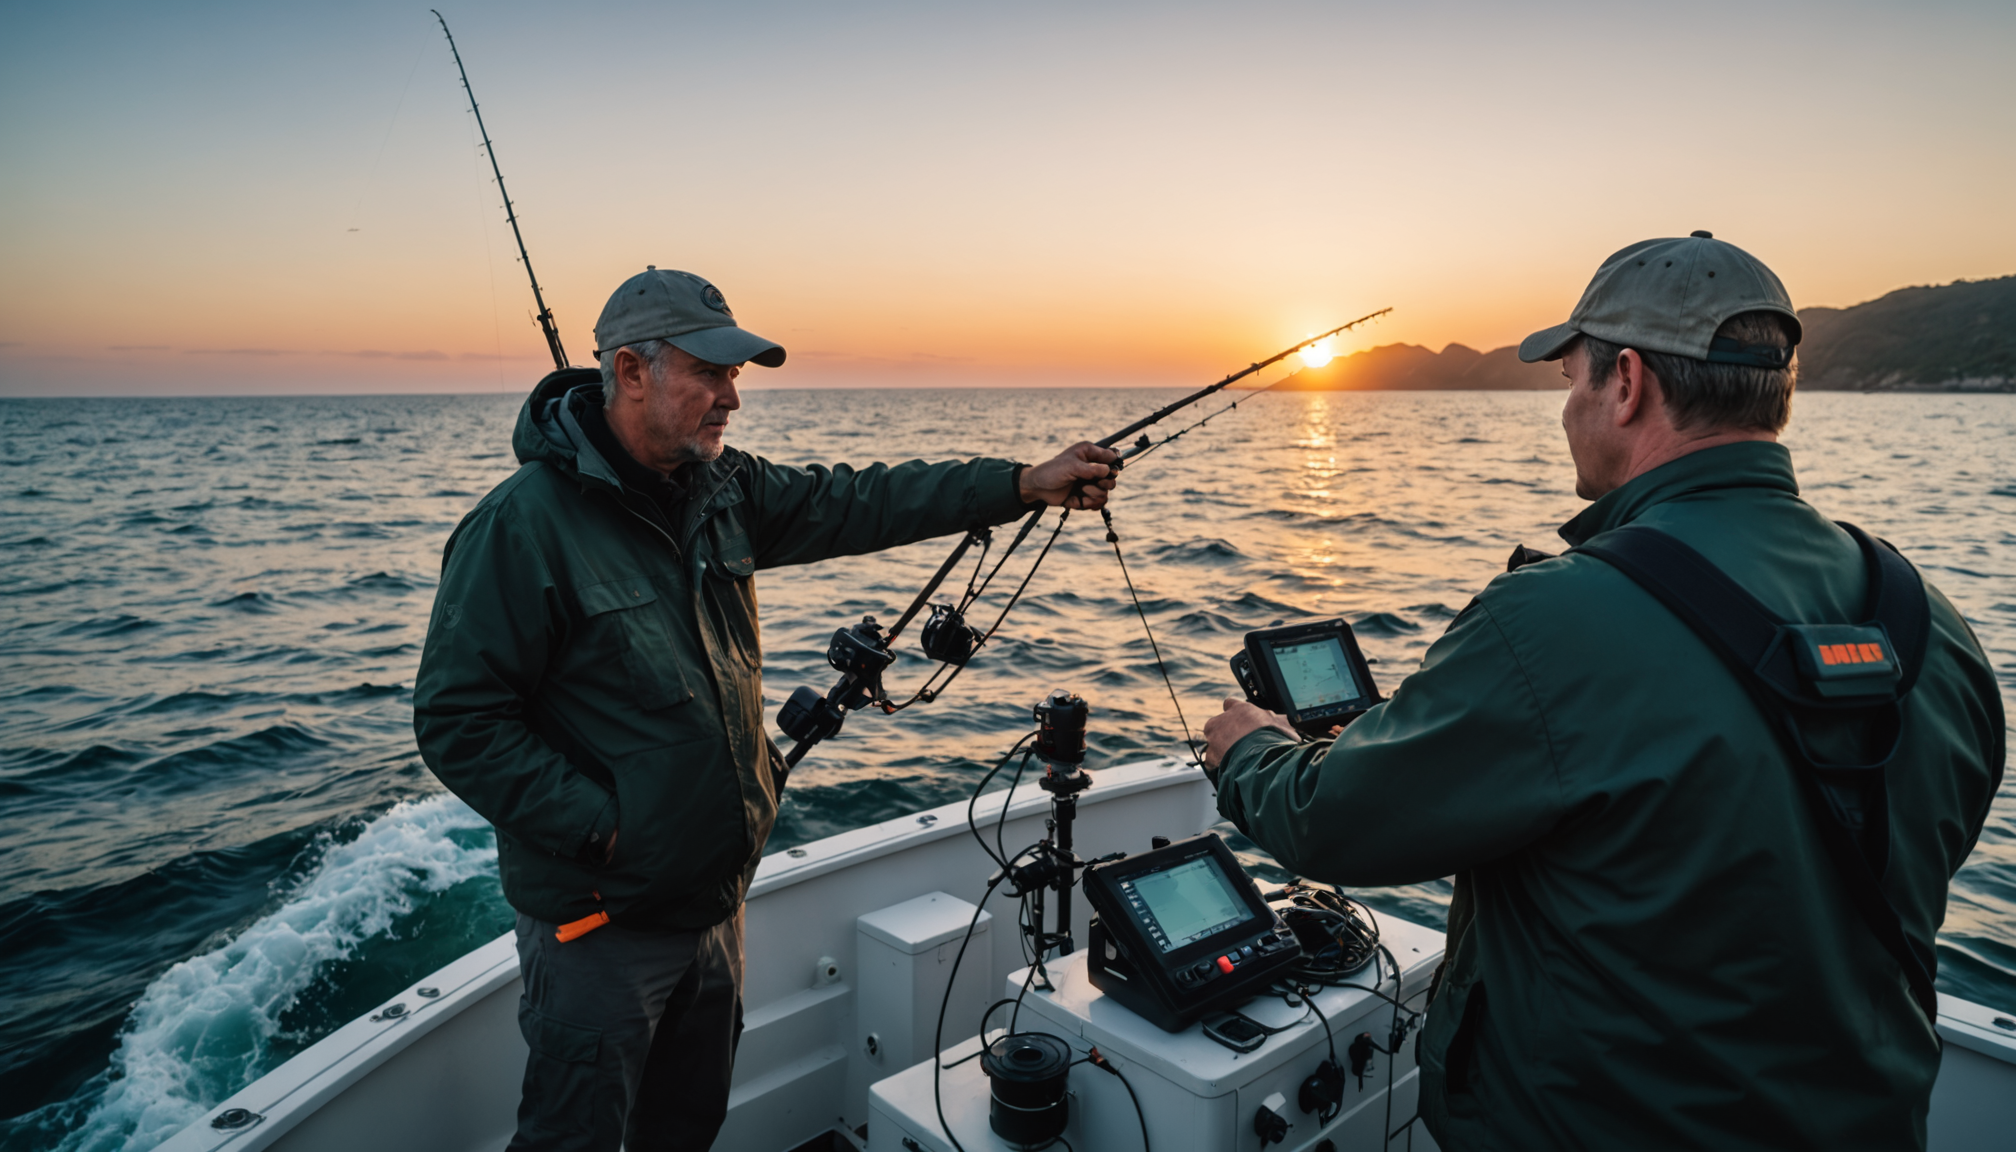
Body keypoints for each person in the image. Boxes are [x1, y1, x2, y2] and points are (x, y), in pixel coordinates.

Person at [1203, 233, 2003, 1150]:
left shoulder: (1554, 618)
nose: (1571, 408)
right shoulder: (1931, 619)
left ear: (1627, 384)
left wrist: (1254, 752)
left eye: (1574, 381)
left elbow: (1331, 821)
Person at [413, 267, 1118, 1152]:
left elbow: (862, 498)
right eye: (710, 373)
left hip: (715, 907)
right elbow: (457, 721)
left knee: (687, 1126)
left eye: (736, 374)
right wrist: (607, 829)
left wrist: (1018, 482)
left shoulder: (723, 491)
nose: (732, 399)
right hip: (602, 925)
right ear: (631, 372)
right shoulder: (520, 527)